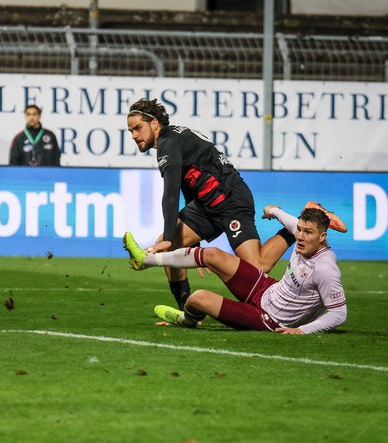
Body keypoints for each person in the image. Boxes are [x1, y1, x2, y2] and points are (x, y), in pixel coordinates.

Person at [125, 98, 347, 316]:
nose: (134, 135)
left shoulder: (168, 143)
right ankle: (187, 312)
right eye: (130, 131)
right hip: (206, 204)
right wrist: (191, 240)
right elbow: (188, 185)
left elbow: (171, 192)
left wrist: (169, 236)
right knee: (171, 247)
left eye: (138, 128)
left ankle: (299, 223)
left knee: (257, 268)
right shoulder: (173, 138)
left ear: (154, 124)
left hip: (230, 199)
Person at [122, 206, 347, 334]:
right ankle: (147, 260)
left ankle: (186, 319)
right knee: (212, 254)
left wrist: (302, 330)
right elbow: (289, 221)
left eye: (308, 232)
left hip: (270, 319)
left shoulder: (325, 269)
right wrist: (273, 210)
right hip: (267, 289)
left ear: (322, 237)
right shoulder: (301, 236)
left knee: (197, 298)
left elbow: (338, 314)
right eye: (299, 230)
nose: (300, 236)